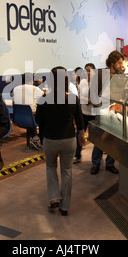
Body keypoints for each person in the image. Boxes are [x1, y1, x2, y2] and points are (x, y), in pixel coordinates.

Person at [36, 66, 86, 216]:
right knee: (67, 171)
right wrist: (81, 134)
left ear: (50, 81)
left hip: (50, 139)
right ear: (66, 80)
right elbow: (79, 119)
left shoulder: (43, 99)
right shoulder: (72, 98)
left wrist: (41, 137)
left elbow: (39, 121)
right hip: (69, 139)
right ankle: (65, 206)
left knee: (50, 167)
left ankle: (54, 198)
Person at [89, 51, 123, 175]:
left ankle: (110, 163)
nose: (121, 65)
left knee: (113, 138)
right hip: (102, 110)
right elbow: (92, 92)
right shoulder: (100, 75)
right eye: (119, 63)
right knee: (100, 138)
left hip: (115, 110)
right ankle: (95, 163)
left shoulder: (121, 75)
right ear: (112, 63)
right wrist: (98, 105)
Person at [12, 73, 44, 149]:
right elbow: (45, 99)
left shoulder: (15, 89)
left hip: (18, 118)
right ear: (31, 80)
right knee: (44, 117)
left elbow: (13, 103)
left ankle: (33, 138)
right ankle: (37, 138)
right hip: (31, 118)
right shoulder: (35, 89)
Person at [74, 63, 97, 164]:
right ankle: (77, 155)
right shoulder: (82, 82)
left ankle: (96, 161)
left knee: (97, 137)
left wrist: (89, 100)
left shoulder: (97, 83)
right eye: (86, 70)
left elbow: (97, 99)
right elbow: (79, 96)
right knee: (79, 134)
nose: (88, 72)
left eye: (89, 70)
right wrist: (86, 99)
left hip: (94, 113)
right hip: (83, 112)